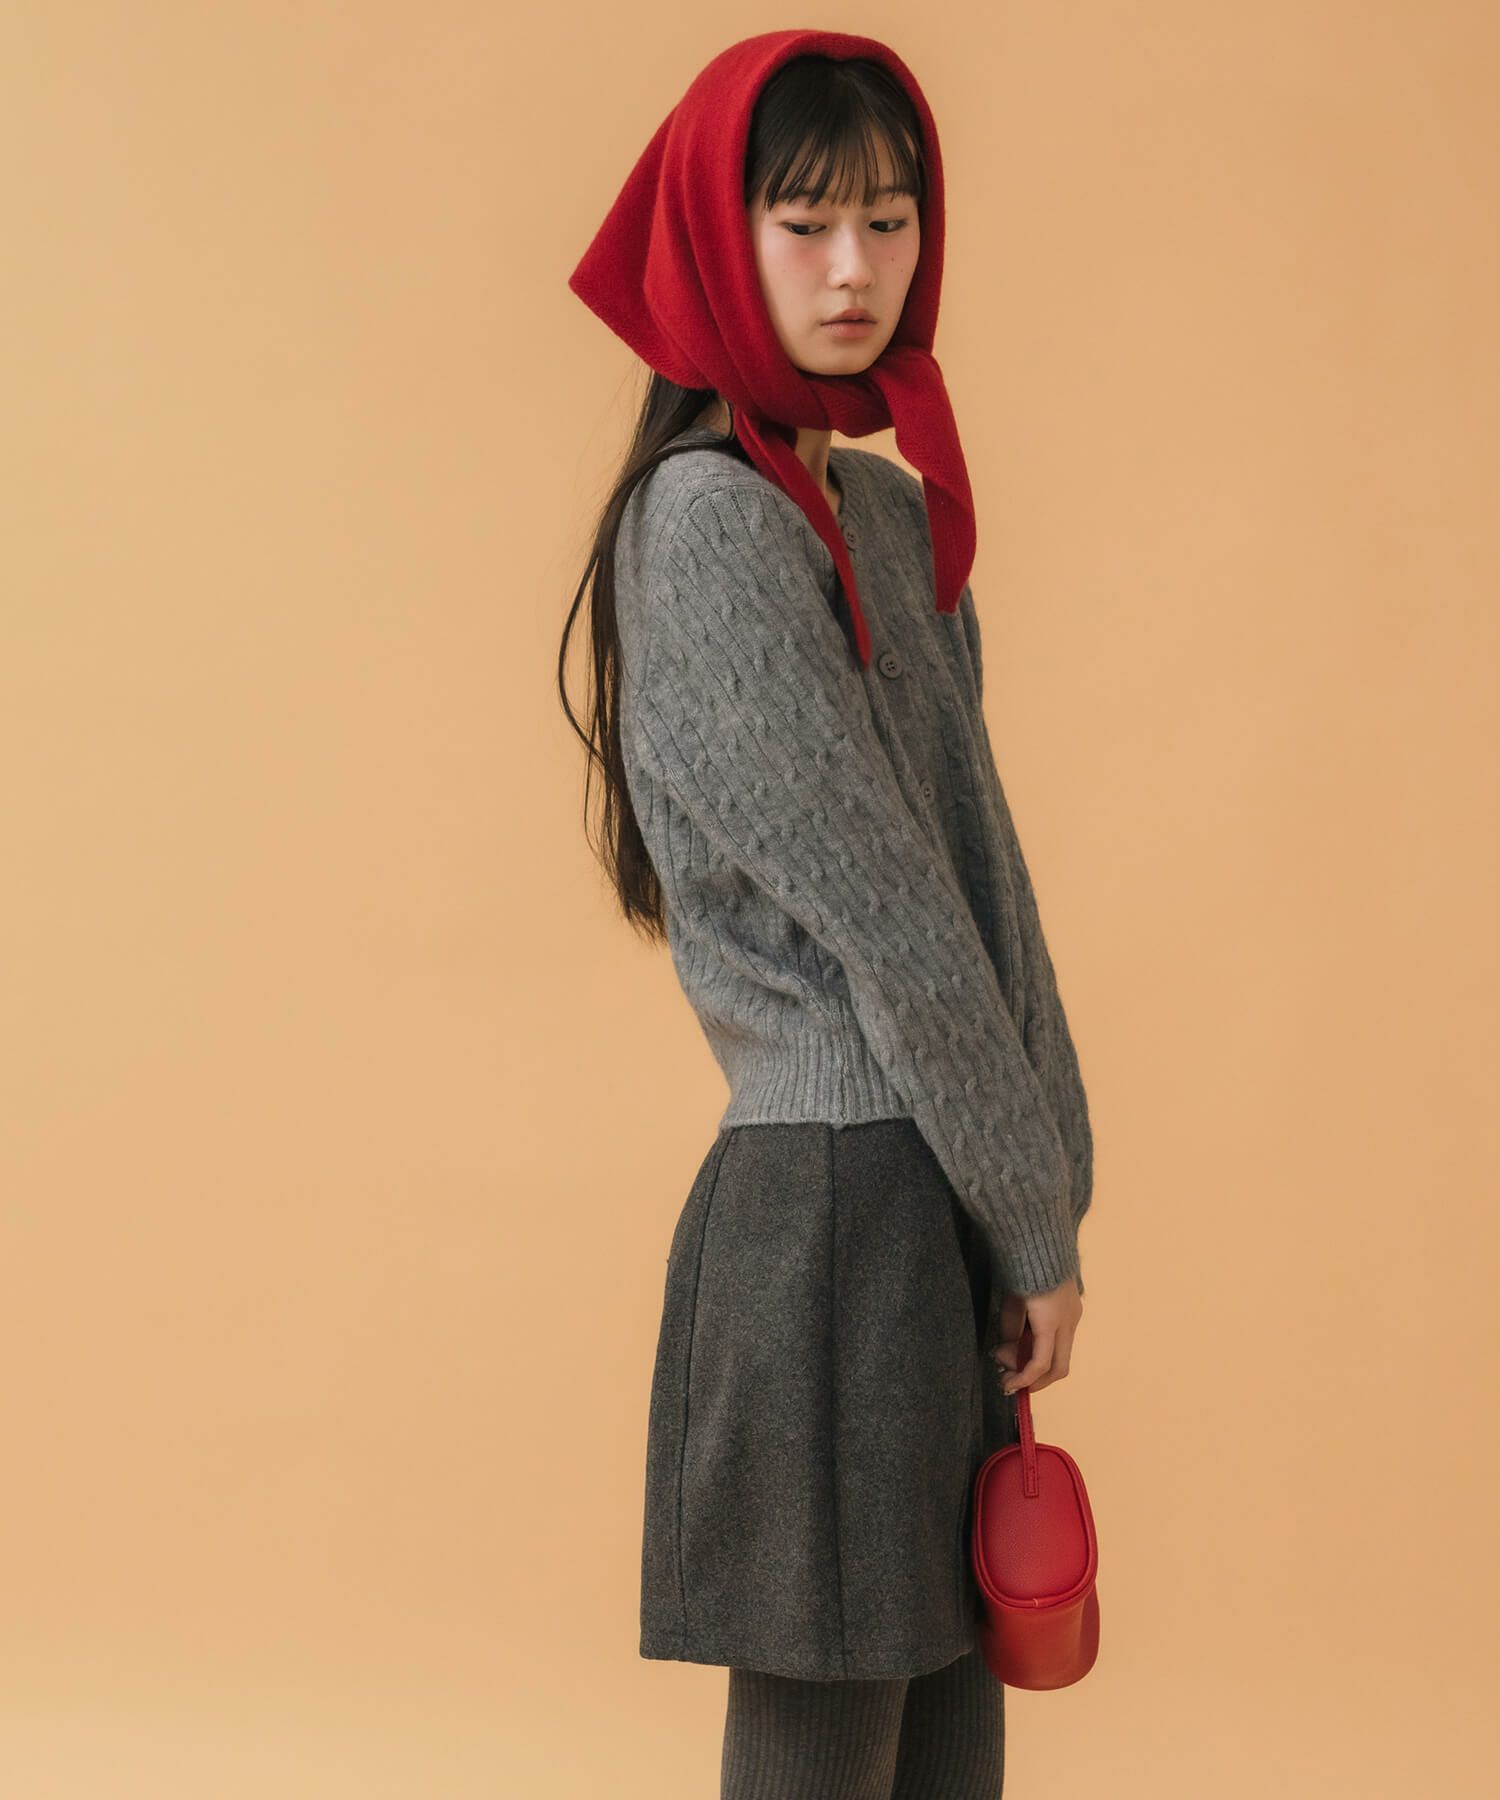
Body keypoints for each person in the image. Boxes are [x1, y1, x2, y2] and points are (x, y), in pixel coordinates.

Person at [560, 30, 1095, 1799]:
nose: (857, 267)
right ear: (718, 242)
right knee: (822, 1749)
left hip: (929, 1198)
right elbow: (893, 917)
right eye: (804, 224)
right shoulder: (711, 523)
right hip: (833, 1211)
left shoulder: (887, 509)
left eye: (890, 217)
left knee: (946, 1752)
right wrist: (1032, 1214)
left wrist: (1040, 1192)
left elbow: (983, 871)